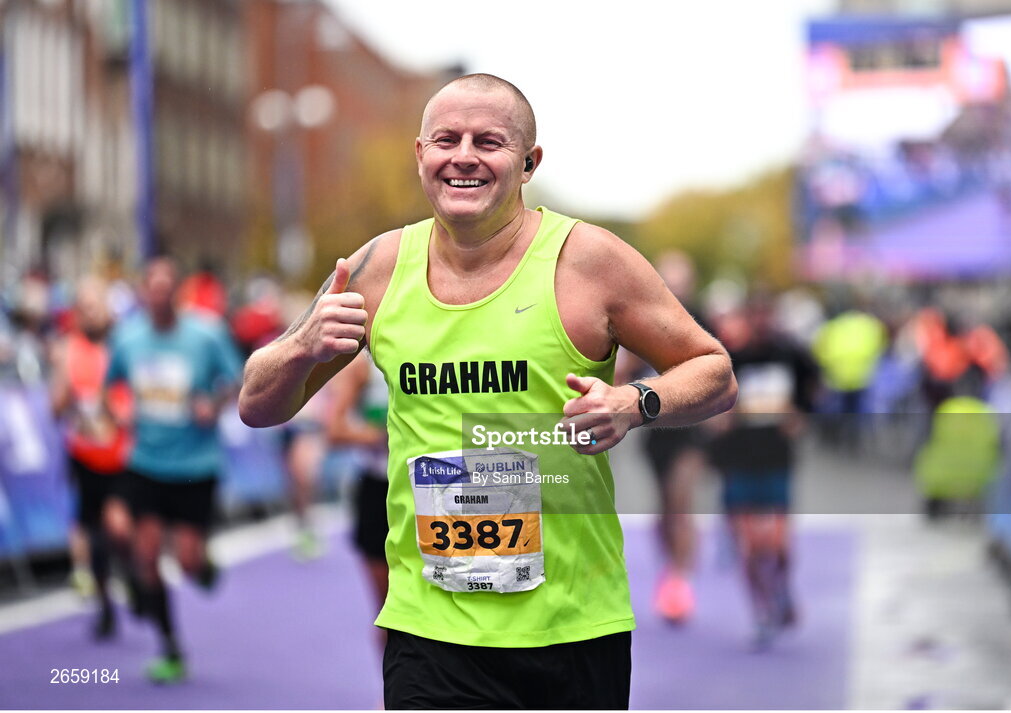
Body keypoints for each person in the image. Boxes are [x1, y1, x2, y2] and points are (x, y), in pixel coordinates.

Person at [239, 73, 736, 709]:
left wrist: (634, 404)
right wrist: (300, 345)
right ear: (421, 156)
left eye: (489, 141)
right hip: (429, 627)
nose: (464, 156)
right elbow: (257, 405)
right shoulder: (377, 268)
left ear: (529, 163)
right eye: (446, 139)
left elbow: (714, 370)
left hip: (569, 626)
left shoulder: (588, 262)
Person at [105, 255, 241, 683]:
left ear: (177, 293)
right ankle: (170, 646)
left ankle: (201, 565)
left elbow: (240, 380)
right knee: (144, 553)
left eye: (167, 289)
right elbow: (110, 389)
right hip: (146, 461)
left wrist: (213, 404)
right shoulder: (127, 338)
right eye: (152, 288)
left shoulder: (206, 334)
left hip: (195, 466)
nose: (159, 296)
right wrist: (117, 413)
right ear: (144, 292)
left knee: (184, 562)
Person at [707, 295, 818, 650]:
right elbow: (704, 396)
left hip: (776, 458)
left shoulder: (789, 353)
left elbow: (815, 384)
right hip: (739, 460)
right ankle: (762, 610)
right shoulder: (728, 360)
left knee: (779, 547)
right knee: (752, 548)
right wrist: (716, 420)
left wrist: (801, 414)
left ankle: (782, 590)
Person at [616, 250, 707, 624]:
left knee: (679, 502)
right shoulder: (646, 319)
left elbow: (722, 368)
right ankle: (670, 567)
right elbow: (626, 369)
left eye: (681, 282)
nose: (676, 289)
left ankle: (679, 581)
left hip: (693, 431)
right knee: (663, 512)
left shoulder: (703, 319)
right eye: (669, 281)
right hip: (657, 432)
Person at [50, 276, 134, 639]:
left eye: (95, 306)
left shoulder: (126, 345)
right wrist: (67, 394)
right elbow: (55, 410)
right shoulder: (66, 351)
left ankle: (134, 579)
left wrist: (119, 414)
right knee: (95, 534)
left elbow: (137, 397)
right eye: (82, 308)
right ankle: (105, 608)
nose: (89, 314)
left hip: (124, 457)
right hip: (85, 456)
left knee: (120, 529)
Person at [323, 352, 390, 640]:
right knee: (389, 612)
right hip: (379, 491)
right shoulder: (365, 367)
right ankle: (389, 686)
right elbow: (334, 432)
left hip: (433, 487)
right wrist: (383, 437)